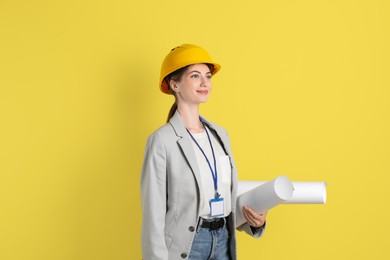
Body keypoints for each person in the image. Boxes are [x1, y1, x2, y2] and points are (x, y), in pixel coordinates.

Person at [141, 44, 267, 260]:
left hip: (223, 241)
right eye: (195, 76)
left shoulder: (220, 135)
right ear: (175, 85)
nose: (204, 83)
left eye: (208, 76)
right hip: (188, 245)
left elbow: (222, 191)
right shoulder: (162, 141)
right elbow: (153, 215)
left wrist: (253, 221)